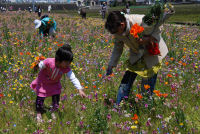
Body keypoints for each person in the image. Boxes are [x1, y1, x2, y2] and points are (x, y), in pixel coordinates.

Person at [105, 8, 174, 105]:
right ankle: (118, 105)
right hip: (136, 54)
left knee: (147, 84)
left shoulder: (139, 20)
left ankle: (146, 106)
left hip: (152, 53)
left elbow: (158, 27)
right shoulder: (117, 31)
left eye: (116, 31)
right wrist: (111, 64)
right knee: (126, 81)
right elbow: (118, 47)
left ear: (122, 24)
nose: (115, 34)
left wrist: (148, 38)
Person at [30, 44, 86, 122]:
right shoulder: (49, 62)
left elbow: (73, 77)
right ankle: (39, 113)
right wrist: (36, 67)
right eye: (67, 62)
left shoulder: (66, 68)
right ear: (59, 60)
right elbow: (41, 64)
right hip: (43, 82)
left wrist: (79, 89)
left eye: (69, 63)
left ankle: (53, 111)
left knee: (56, 97)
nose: (68, 65)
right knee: (40, 97)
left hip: (54, 83)